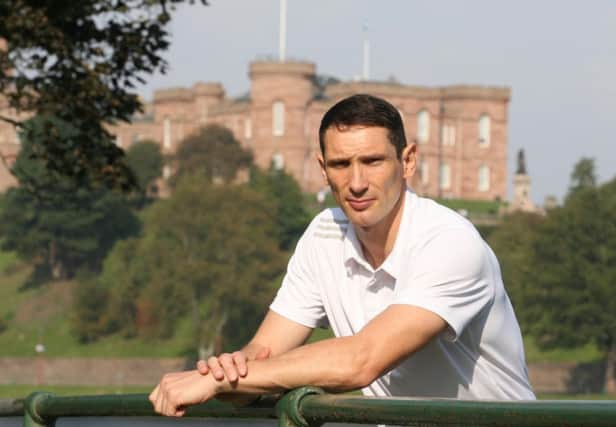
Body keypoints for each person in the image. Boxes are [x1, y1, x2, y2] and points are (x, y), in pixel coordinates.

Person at [149, 94, 535, 416]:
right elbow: (262, 355)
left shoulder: (449, 242)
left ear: (408, 161)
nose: (356, 183)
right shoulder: (323, 236)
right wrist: (230, 373)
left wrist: (218, 380)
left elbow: (360, 361)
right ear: (322, 169)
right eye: (340, 164)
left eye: (372, 161)